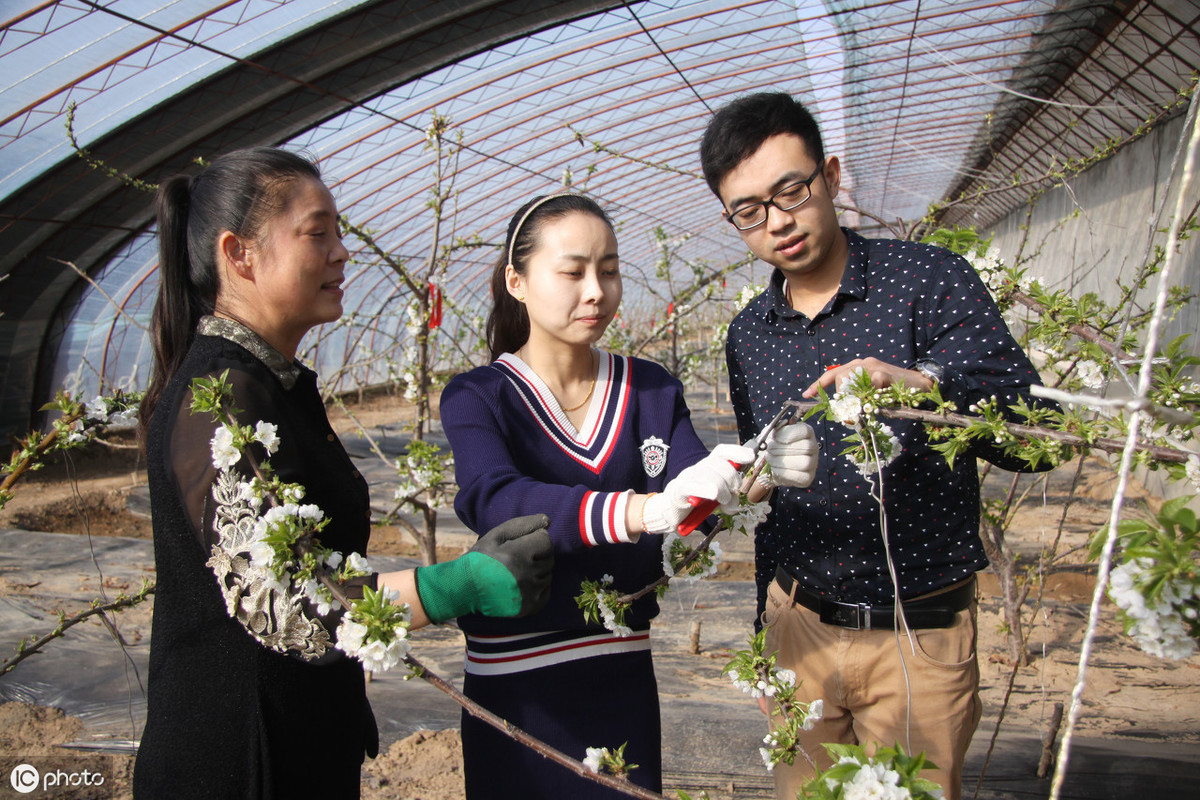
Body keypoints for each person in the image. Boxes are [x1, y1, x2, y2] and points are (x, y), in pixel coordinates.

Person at [133, 147, 553, 799]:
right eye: (316, 233)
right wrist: (451, 586)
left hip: (294, 745)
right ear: (237, 254)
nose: (340, 253)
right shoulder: (216, 398)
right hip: (238, 766)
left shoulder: (275, 386)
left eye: (340, 234)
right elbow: (283, 603)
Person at [699, 92, 1055, 800]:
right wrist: (767, 644)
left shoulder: (927, 281)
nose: (777, 221)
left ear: (829, 176)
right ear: (731, 219)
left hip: (917, 638)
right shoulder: (749, 335)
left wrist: (925, 386)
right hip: (797, 628)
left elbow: (1036, 440)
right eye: (749, 210)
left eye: (790, 190)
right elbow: (764, 495)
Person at [439, 193, 818, 798]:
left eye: (609, 270)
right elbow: (496, 499)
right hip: (519, 681)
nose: (596, 290)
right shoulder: (480, 397)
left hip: (620, 669)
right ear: (517, 281)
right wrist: (639, 509)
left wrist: (762, 472)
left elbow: (696, 499)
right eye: (573, 272)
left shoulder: (649, 389)